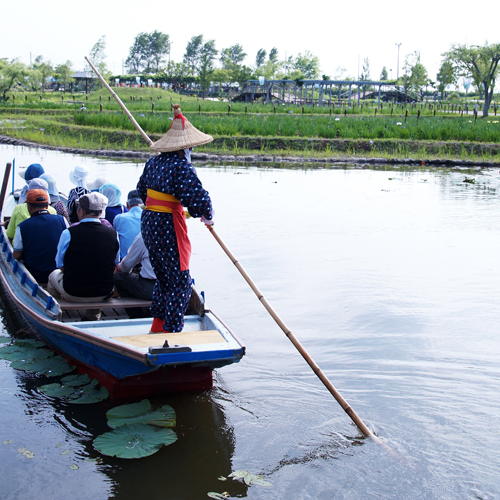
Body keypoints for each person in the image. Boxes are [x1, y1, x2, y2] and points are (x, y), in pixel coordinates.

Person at [136, 104, 214, 334]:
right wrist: (207, 216)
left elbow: (142, 191)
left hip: (149, 221)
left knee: (163, 277)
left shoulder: (153, 163)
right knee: (180, 281)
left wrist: (167, 205)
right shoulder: (181, 166)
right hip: (167, 225)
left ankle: (158, 326)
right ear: (187, 146)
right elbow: (198, 200)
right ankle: (171, 331)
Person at [47, 193, 120, 321]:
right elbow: (115, 262)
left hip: (73, 292)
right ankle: (92, 316)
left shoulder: (68, 233)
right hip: (105, 293)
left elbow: (59, 264)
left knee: (53, 275)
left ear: (81, 211)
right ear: (101, 212)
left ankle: (57, 312)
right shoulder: (113, 233)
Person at [12, 189, 68, 284]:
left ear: (29, 207)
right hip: (58, 274)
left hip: (35, 276)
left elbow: (16, 255)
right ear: (47, 206)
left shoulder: (22, 226)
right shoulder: (62, 220)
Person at [114, 232, 156, 302]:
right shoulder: (179, 233)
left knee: (118, 276)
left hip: (150, 287)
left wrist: (119, 267)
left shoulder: (146, 234)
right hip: (175, 288)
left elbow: (126, 265)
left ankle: (136, 313)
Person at [113, 189, 143, 259]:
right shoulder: (148, 218)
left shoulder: (119, 218)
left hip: (124, 261)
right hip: (143, 262)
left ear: (127, 204)